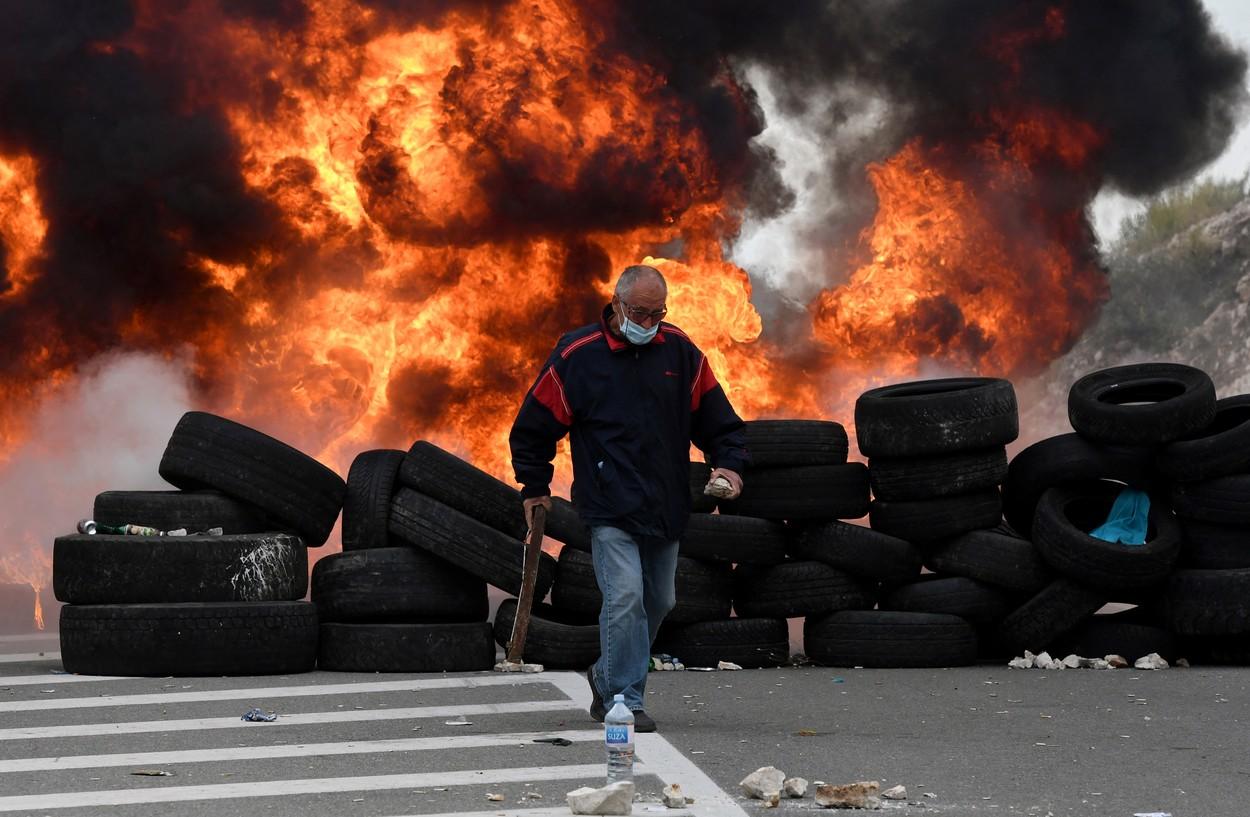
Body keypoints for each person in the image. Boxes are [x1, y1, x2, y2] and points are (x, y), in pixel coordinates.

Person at [509, 264, 748, 733]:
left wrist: (731, 466)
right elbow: (533, 425)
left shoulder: (680, 352)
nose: (648, 321)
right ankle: (624, 700)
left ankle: (604, 674)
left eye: (657, 312)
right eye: (639, 312)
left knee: (659, 600)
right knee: (625, 598)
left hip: (666, 504)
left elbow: (722, 423)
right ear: (617, 305)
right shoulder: (578, 355)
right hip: (608, 504)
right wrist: (534, 486)